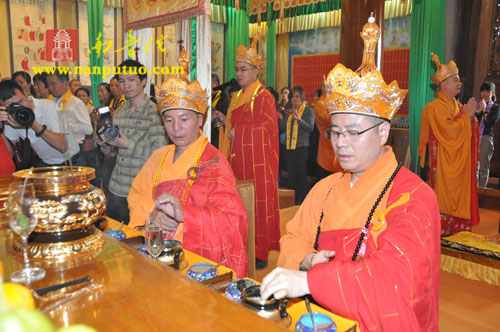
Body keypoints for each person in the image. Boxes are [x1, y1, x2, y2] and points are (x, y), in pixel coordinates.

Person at [261, 17, 440, 331]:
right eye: (335, 132)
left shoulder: (415, 197)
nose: (340, 143)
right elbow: (293, 238)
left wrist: (310, 280)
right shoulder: (326, 188)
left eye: (353, 132)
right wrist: (306, 260)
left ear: (383, 132)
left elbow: (392, 280)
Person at [128, 70, 248, 277]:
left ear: (200, 120)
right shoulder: (158, 157)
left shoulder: (215, 163)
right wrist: (153, 215)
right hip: (155, 249)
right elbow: (136, 194)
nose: (176, 128)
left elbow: (232, 220)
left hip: (193, 260)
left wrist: (185, 217)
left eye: (184, 119)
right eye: (168, 120)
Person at [220, 32, 280, 270]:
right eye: (237, 69)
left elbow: (267, 128)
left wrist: (238, 133)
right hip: (238, 159)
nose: (239, 73)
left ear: (256, 71)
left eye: (244, 69)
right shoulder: (238, 97)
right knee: (240, 203)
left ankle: (260, 251)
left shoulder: (263, 97)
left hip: (257, 163)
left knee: (257, 204)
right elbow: (236, 126)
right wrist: (225, 121)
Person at [97, 60, 168, 224]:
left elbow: (160, 156)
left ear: (143, 82)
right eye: (122, 81)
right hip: (116, 187)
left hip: (141, 190)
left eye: (131, 79)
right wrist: (105, 144)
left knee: (138, 242)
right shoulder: (120, 112)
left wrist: (128, 144)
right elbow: (114, 152)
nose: (126, 85)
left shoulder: (155, 113)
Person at [418, 53, 480, 236]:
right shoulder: (436, 106)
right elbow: (449, 131)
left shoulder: (456, 105)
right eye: (455, 80)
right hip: (443, 163)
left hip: (455, 161)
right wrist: (466, 118)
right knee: (442, 196)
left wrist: (471, 118)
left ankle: (456, 229)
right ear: (443, 84)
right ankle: (441, 229)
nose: (459, 83)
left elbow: (465, 125)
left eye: (459, 80)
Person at [0, 80, 79, 167]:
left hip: (72, 161)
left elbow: (63, 146)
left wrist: (31, 123)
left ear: (26, 94)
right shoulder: (11, 118)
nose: (20, 108)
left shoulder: (48, 106)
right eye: (13, 107)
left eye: (21, 101)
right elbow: (9, 154)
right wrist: (1, 128)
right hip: (47, 163)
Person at [278, 86, 315, 204]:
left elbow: (310, 128)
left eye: (296, 96)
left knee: (300, 173)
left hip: (301, 146)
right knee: (291, 173)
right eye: (292, 96)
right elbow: (283, 127)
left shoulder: (308, 110)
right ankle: (292, 197)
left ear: (302, 97)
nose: (294, 99)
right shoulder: (290, 110)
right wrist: (280, 118)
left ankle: (302, 198)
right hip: (289, 146)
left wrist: (299, 120)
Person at [47, 70, 93, 166]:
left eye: (53, 84)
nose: (50, 88)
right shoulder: (52, 102)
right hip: (58, 151)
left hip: (74, 153)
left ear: (66, 83)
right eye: (49, 85)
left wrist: (66, 126)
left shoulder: (75, 103)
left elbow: (88, 130)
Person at [314, 81, 343, 179]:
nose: (330, 88)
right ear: (322, 87)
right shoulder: (320, 104)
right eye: (327, 86)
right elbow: (328, 119)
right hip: (326, 145)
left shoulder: (334, 101)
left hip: (337, 145)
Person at [476, 81, 500, 187]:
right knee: (474, 167)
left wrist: (485, 110)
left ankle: (481, 192)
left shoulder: (495, 108)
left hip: (486, 137)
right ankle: (474, 191)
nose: (484, 93)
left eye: (487, 91)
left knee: (483, 168)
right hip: (475, 137)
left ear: (492, 93)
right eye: (482, 91)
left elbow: (489, 122)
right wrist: (477, 112)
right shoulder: (477, 106)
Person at [210, 74, 229, 149]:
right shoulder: (209, 97)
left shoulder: (224, 98)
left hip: (219, 135)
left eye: (209, 83)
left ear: (216, 84)